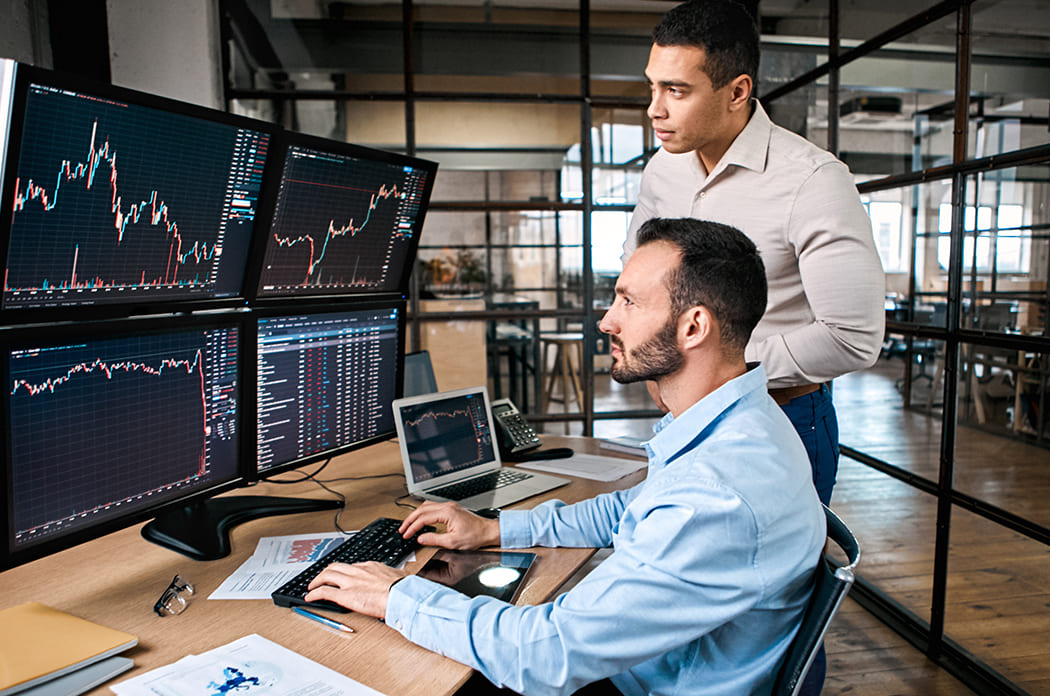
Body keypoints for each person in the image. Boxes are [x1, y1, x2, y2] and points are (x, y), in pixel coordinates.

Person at [305, 217, 826, 696]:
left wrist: (397, 596)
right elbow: (627, 510)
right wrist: (494, 530)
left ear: (693, 327)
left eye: (628, 302)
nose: (606, 321)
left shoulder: (716, 491)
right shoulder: (741, 424)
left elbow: (547, 655)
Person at [623, 0, 885, 509]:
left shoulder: (812, 180)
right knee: (689, 577)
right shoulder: (663, 168)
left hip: (780, 418)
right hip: (679, 421)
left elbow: (854, 337)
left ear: (738, 91)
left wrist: (716, 374)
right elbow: (638, 276)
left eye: (676, 91)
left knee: (774, 586)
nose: (655, 109)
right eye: (652, 86)